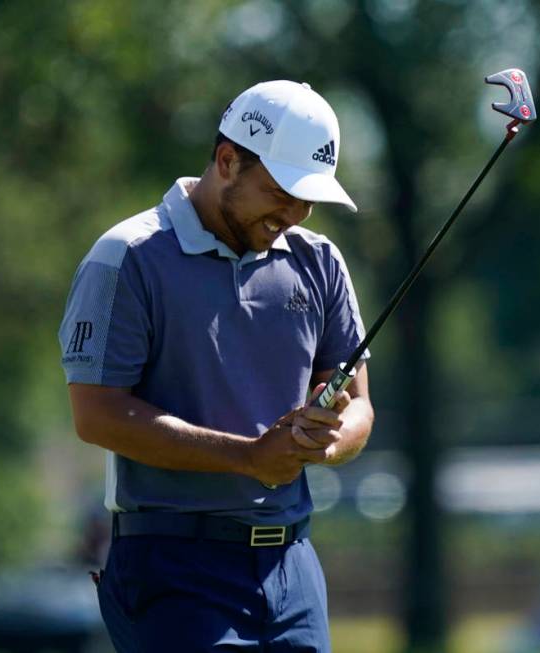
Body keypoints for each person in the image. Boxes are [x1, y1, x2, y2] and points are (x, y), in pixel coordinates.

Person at [58, 80, 374, 652]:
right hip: (174, 563)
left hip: (293, 564)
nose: (297, 212)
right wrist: (250, 458)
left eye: (309, 198)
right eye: (282, 191)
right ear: (227, 161)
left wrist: (324, 442)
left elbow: (356, 400)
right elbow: (97, 415)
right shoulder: (127, 256)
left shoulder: (320, 261)